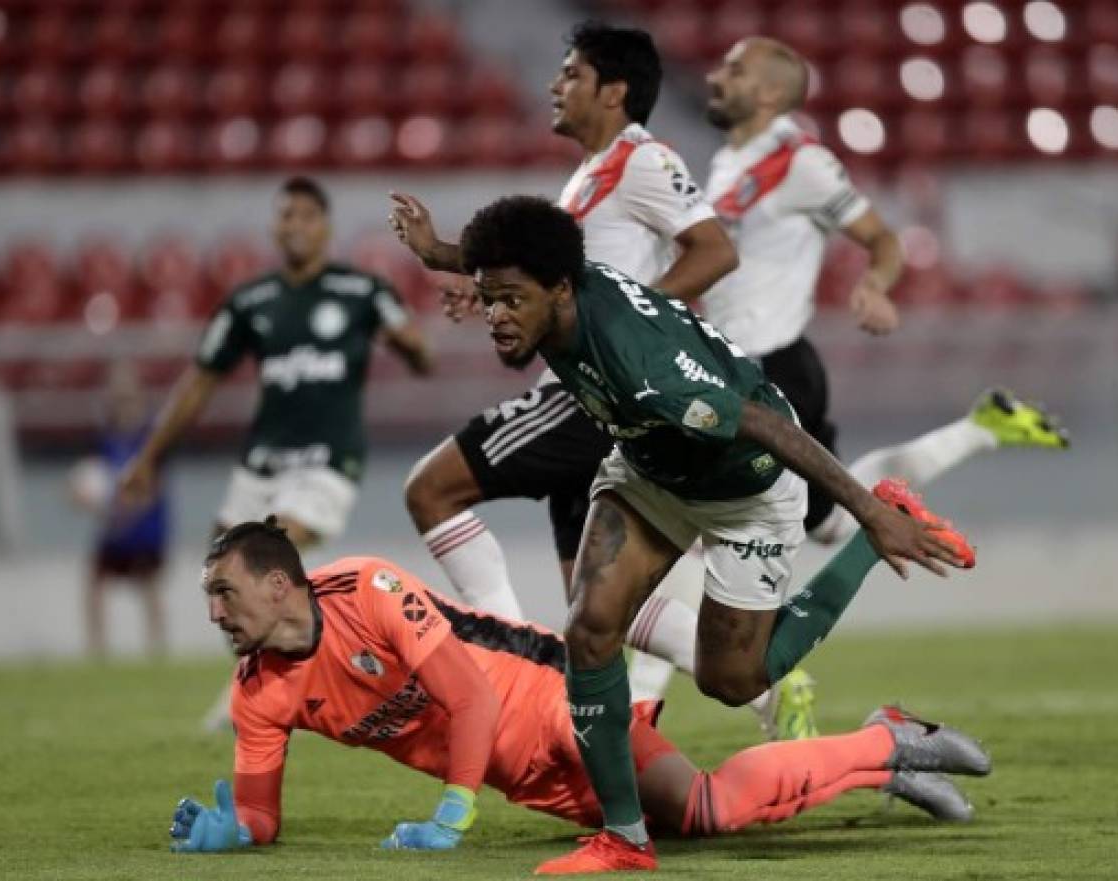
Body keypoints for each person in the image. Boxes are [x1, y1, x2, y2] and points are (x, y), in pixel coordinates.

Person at [459, 195, 979, 873]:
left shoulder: (644, 371)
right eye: (486, 298)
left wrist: (864, 511)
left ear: (559, 288)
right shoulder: (561, 276)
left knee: (732, 681)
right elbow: (502, 266)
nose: (495, 317)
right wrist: (441, 250)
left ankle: (883, 527)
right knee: (589, 631)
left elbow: (765, 426)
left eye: (508, 300)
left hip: (747, 492)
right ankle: (625, 837)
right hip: (649, 471)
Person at [627, 36, 1072, 734]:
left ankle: (649, 714)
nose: (716, 75)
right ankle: (977, 429)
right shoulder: (728, 163)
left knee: (684, 529)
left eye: (735, 69)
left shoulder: (799, 161)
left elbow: (884, 238)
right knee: (829, 521)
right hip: (734, 366)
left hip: (772, 373)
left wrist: (875, 284)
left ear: (771, 93)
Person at [167, 519, 990, 857]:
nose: (213, 612)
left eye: (224, 593)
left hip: (558, 702)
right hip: (524, 777)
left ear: (280, 585)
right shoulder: (257, 693)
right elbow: (263, 815)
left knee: (707, 808)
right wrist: (233, 829)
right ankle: (885, 749)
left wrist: (453, 808)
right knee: (696, 827)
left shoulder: (367, 589)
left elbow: (471, 698)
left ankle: (886, 741)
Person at [389, 23, 737, 682]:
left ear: (615, 92)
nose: (555, 84)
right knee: (603, 605)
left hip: (592, 393)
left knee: (431, 489)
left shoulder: (644, 160)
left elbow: (716, 249)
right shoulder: (588, 180)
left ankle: (512, 666)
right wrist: (472, 277)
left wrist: (628, 329)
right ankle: (763, 682)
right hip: (600, 393)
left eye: (572, 74)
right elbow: (555, 276)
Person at [120, 176, 432, 728]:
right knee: (221, 575)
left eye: (307, 216)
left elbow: (421, 354)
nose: (296, 226)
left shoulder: (362, 291)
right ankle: (265, 686)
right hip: (261, 463)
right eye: (286, 216)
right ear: (274, 225)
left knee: (268, 551)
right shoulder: (250, 301)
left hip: (328, 461)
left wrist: (410, 347)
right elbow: (199, 382)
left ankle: (317, 681)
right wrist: (148, 457)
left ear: (326, 227)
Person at [69, 361, 169, 656]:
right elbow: (83, 481)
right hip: (114, 528)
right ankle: (97, 651)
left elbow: (154, 487)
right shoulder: (102, 437)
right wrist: (79, 497)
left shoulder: (151, 435)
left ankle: (157, 651)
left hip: (145, 528)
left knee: (148, 586)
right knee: (95, 586)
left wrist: (128, 507)